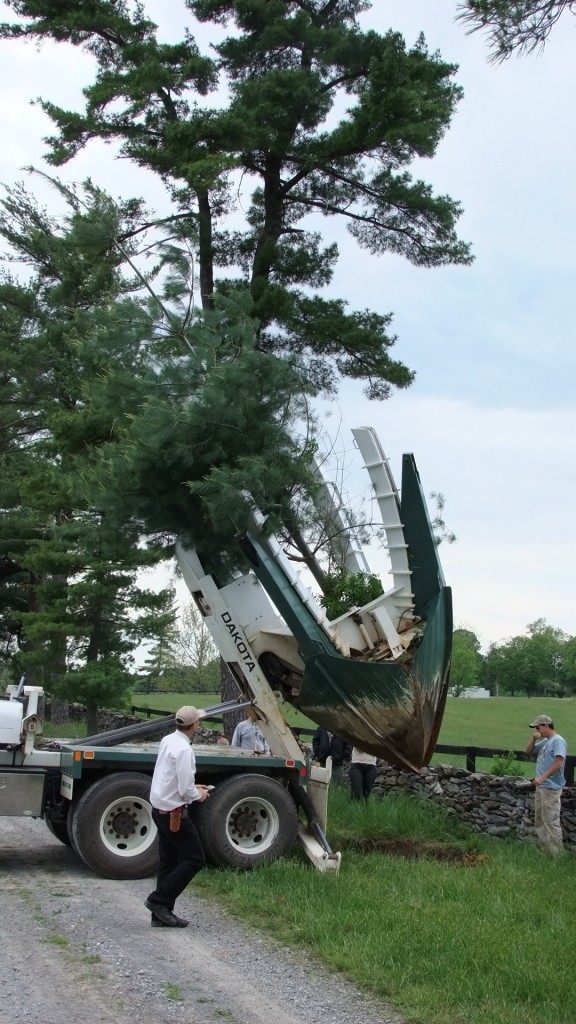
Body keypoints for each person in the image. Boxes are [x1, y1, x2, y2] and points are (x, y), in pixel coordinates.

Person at [144, 706, 211, 928]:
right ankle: (158, 901)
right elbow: (185, 790)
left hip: (159, 807)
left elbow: (171, 777)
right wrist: (198, 793)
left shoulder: (168, 740)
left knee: (169, 861)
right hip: (174, 812)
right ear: (195, 725)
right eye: (198, 721)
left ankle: (161, 915)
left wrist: (192, 787)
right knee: (195, 858)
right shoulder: (184, 751)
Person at [525, 714, 567, 855]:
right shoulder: (545, 742)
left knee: (550, 820)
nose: (537, 730)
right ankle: (546, 851)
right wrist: (534, 738)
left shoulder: (558, 741)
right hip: (542, 787)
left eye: (538, 727)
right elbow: (528, 751)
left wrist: (542, 777)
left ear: (546, 726)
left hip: (551, 787)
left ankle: (557, 854)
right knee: (540, 820)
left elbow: (559, 763)